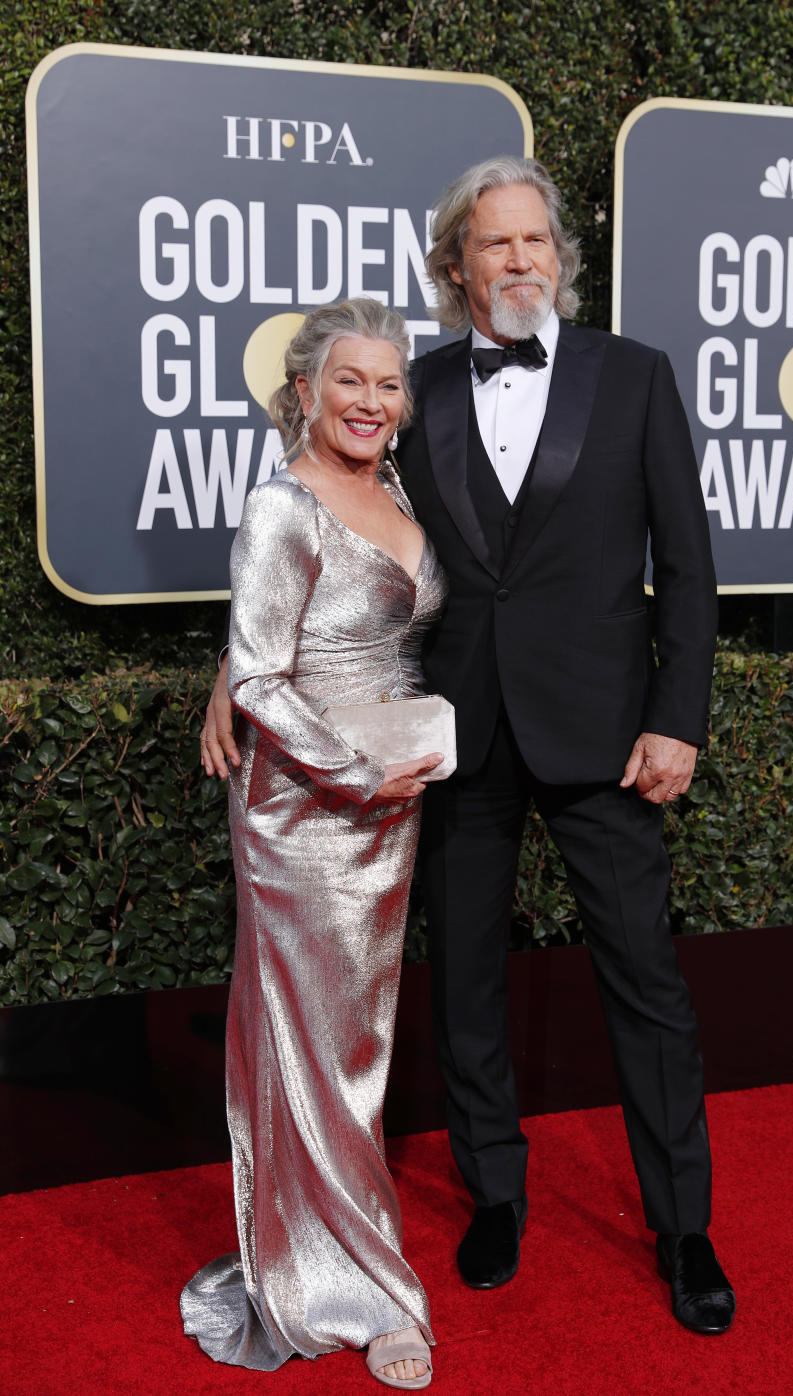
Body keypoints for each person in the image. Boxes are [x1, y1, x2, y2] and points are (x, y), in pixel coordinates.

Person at [204, 157, 735, 1336]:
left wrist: (676, 714)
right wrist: (229, 677)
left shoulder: (637, 378)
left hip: (605, 735)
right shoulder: (418, 388)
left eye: (537, 241)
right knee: (471, 988)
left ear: (561, 254)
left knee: (647, 984)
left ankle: (682, 1224)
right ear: (457, 265)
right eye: (496, 245)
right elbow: (328, 522)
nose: (521, 262)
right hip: (454, 733)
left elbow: (689, 566)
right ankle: (495, 1192)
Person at [185, 298, 447, 1389]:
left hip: (394, 797)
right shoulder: (280, 506)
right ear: (306, 390)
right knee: (327, 1055)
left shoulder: (393, 489)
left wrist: (398, 764)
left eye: (389, 385)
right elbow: (257, 675)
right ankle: (365, 1291)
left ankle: (308, 1250)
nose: (372, 401)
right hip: (304, 811)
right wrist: (351, 770)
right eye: (352, 381)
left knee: (358, 1047)